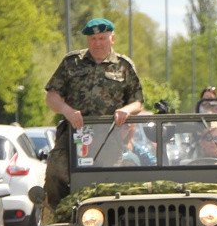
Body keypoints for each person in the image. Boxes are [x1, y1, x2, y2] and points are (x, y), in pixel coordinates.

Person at [43, 18, 144, 208]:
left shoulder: (124, 66)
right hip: (75, 133)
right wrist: (67, 110)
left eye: (102, 38)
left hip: (109, 135)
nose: (97, 43)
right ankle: (58, 219)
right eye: (93, 39)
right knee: (55, 174)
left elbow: (138, 101)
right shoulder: (72, 62)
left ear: (112, 39)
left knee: (109, 184)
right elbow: (51, 96)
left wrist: (125, 110)